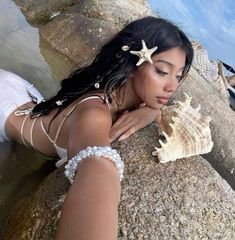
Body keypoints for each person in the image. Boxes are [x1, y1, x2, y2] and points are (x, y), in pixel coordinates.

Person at [0, 16, 193, 239]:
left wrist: (151, 111)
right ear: (131, 65)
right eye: (161, 71)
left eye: (178, 76)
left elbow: (157, 105)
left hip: (24, 92)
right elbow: (98, 168)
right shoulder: (94, 113)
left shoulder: (120, 93)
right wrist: (103, 171)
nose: (172, 86)